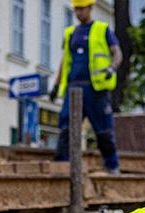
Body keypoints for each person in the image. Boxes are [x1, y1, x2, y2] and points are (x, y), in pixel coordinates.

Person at [49, 0, 122, 175]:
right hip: (72, 89)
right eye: (76, 9)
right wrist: (56, 85)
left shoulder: (102, 29)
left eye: (81, 9)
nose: (78, 13)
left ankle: (112, 167)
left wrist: (111, 68)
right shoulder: (70, 33)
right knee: (66, 127)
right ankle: (62, 165)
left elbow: (117, 53)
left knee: (103, 130)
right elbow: (64, 61)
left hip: (95, 89)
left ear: (90, 8)